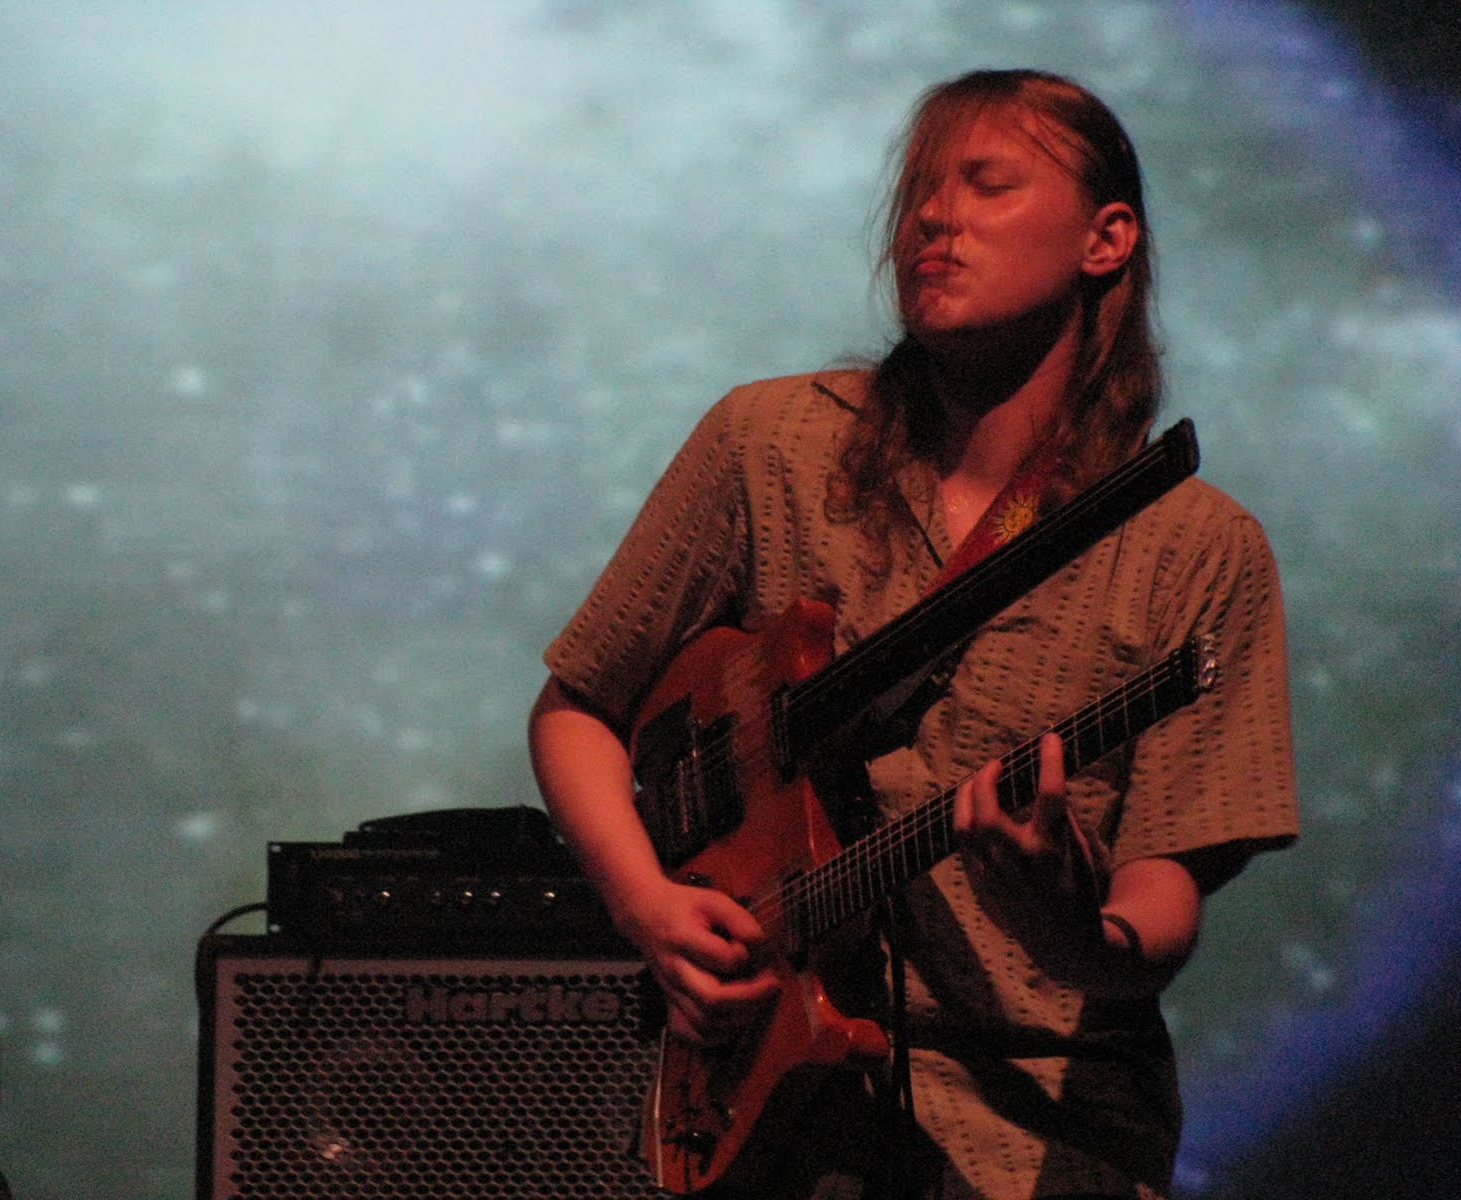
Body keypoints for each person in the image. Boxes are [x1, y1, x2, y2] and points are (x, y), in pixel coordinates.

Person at [528, 68, 1298, 1200]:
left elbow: (1161, 899)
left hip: (1035, 1135)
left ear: (1106, 239)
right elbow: (578, 706)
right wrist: (648, 907)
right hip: (776, 1122)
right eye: (920, 194)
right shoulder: (768, 442)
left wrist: (1071, 933)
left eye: (988, 184)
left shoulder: (1197, 546)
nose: (934, 218)